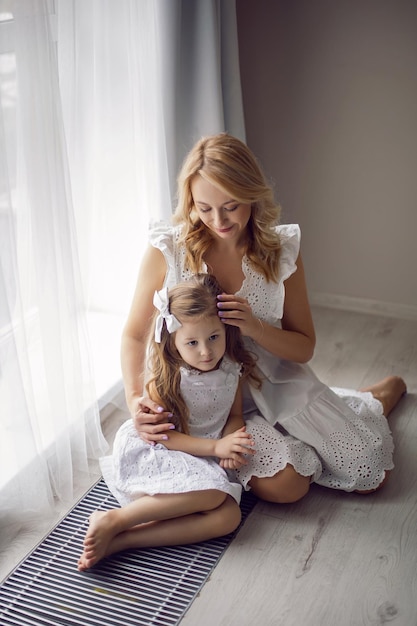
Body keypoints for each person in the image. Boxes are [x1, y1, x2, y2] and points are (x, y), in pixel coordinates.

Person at [121, 132, 406, 503]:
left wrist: (254, 326)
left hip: (275, 383)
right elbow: (133, 335)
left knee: (370, 474)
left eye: (231, 206)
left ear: (252, 195)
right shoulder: (168, 249)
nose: (219, 220)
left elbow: (304, 347)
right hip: (205, 400)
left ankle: (370, 401)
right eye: (204, 208)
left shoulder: (281, 251)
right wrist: (134, 399)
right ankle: (303, 433)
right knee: (287, 489)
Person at [78, 274, 320, 571]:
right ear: (173, 342)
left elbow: (231, 416)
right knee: (216, 494)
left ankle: (123, 540)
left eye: (214, 337)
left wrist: (233, 443)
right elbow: (164, 436)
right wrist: (216, 447)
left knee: (228, 518)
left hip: (204, 456)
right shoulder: (168, 378)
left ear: (225, 330)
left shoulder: (232, 368)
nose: (206, 351)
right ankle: (116, 518)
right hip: (164, 451)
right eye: (192, 342)